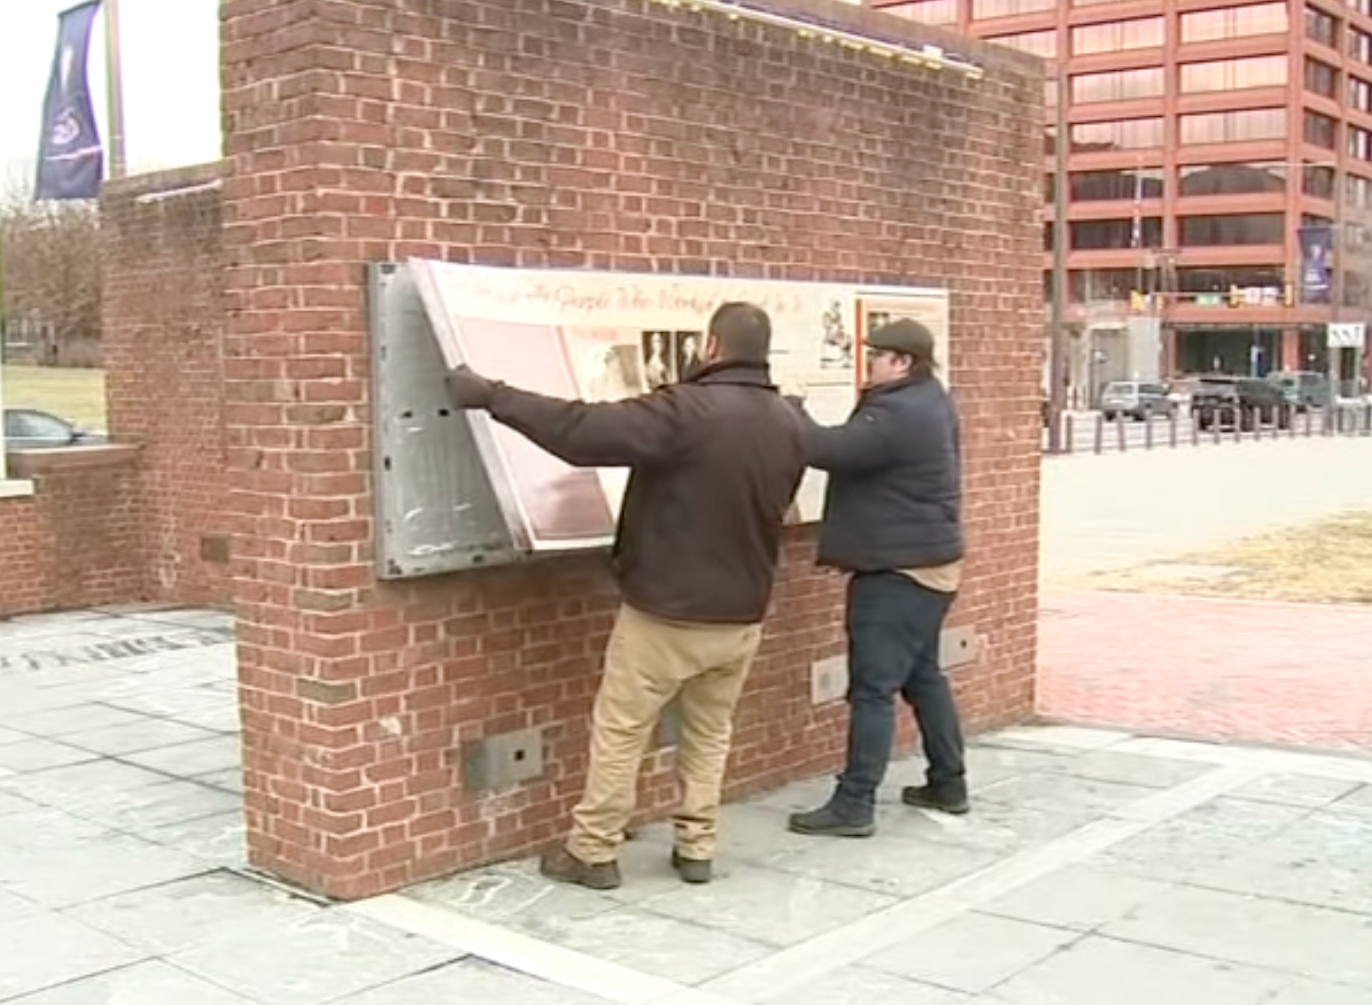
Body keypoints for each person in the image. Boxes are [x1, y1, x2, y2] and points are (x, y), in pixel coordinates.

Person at [447, 303, 807, 888]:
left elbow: (582, 431)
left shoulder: (688, 410)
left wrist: (492, 393)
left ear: (712, 346)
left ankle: (593, 850)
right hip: (741, 614)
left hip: (666, 612)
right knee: (709, 733)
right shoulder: (788, 421)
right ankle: (697, 845)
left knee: (622, 731)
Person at [786, 318, 969, 839]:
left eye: (876, 356)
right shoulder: (929, 398)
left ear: (902, 362)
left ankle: (854, 803)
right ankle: (948, 782)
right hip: (929, 562)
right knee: (923, 676)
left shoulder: (900, 410)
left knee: (872, 689)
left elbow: (825, 449)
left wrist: (792, 407)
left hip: (900, 571)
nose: (868, 364)